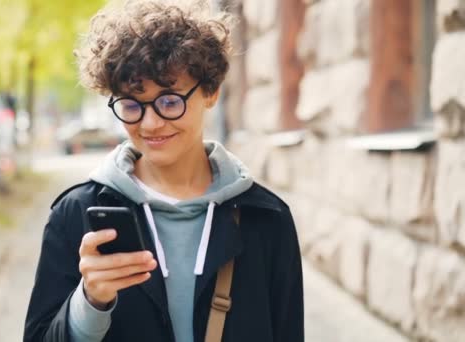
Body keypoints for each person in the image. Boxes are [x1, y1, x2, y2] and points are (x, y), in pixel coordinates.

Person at [23, 1, 304, 341]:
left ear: (211, 91)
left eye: (170, 101)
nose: (151, 123)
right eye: (131, 104)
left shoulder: (267, 219)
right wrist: (91, 302)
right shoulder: (75, 216)